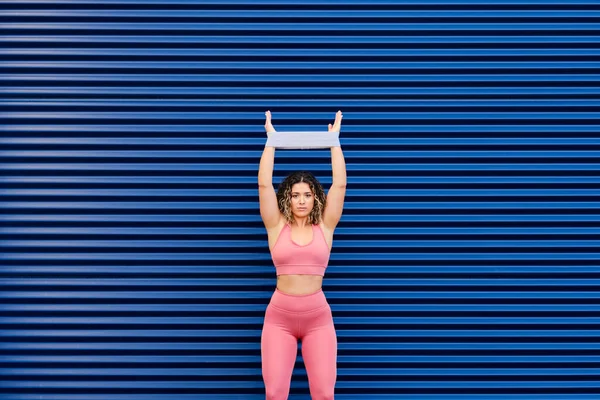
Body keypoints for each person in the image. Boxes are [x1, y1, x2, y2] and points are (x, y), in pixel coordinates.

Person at [258, 110, 346, 400]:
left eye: (307, 194)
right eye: (295, 195)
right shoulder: (276, 225)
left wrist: (334, 141)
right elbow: (263, 185)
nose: (301, 200)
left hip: (318, 318)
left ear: (315, 197)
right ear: (287, 197)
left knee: (323, 393)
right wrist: (271, 140)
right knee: (275, 394)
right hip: (279, 318)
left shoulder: (326, 226)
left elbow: (340, 185)